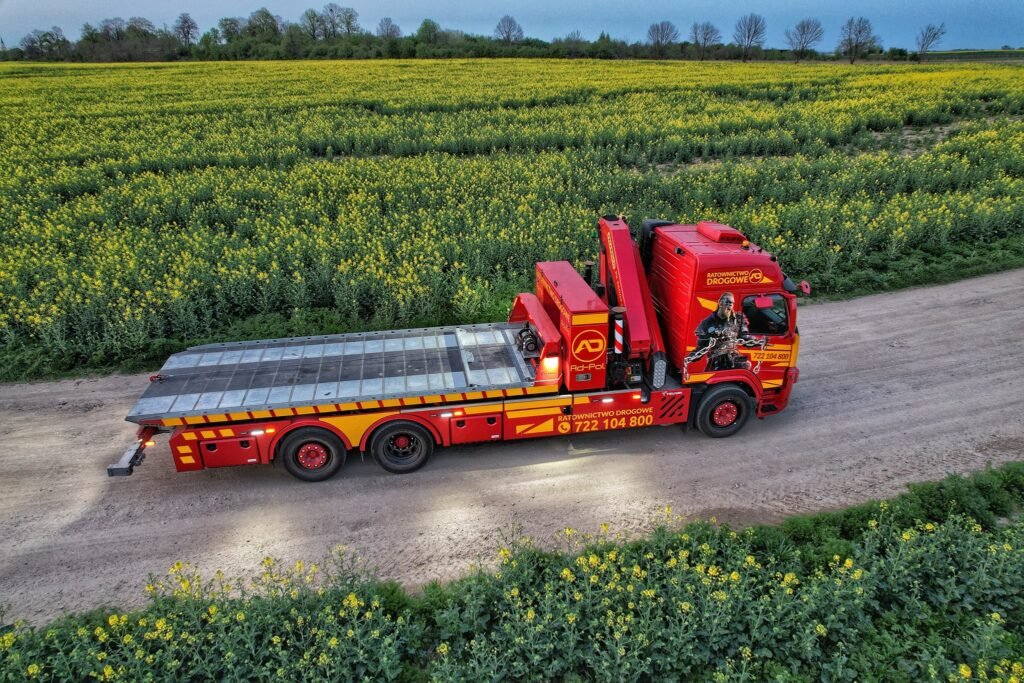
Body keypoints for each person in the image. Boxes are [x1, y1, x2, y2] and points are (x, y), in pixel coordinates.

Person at [694, 291, 753, 371]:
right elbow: (701, 346)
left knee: (746, 365)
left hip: (733, 357)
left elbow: (746, 337)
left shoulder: (738, 319)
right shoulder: (706, 323)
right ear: (720, 303)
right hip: (715, 361)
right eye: (728, 302)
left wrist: (757, 341)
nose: (730, 305)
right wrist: (690, 358)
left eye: (732, 303)